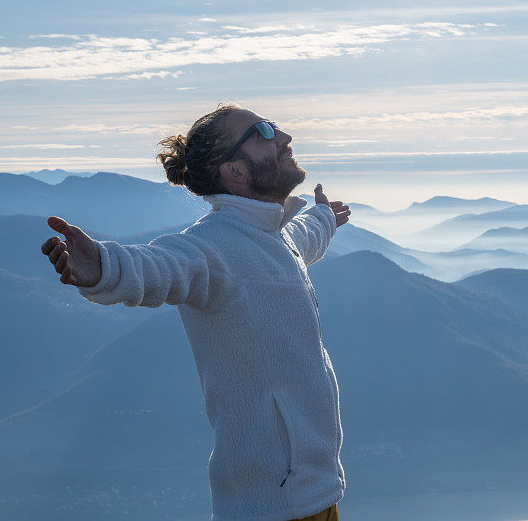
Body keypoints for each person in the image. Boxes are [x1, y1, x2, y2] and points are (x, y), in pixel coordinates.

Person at [40, 104, 351, 521]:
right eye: (263, 132)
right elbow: (163, 266)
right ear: (235, 172)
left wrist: (324, 218)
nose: (284, 137)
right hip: (275, 507)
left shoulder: (270, 237)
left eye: (273, 125)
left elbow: (300, 240)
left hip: (314, 494)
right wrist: (103, 266)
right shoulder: (214, 245)